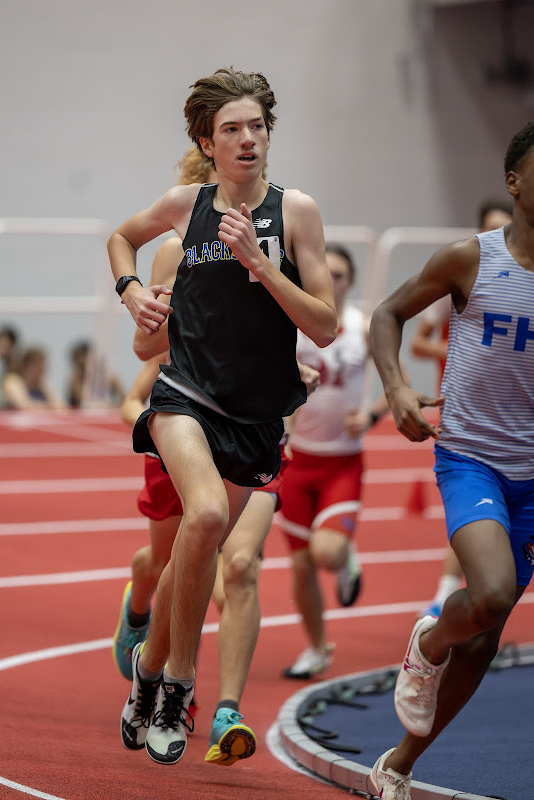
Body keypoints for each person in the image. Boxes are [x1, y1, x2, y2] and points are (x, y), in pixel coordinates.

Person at [107, 67, 337, 765]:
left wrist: (262, 266)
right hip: (186, 395)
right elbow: (120, 237)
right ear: (207, 144)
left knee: (198, 549)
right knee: (205, 517)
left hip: (257, 416)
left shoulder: (297, 213)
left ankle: (148, 670)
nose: (247, 139)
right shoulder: (187, 207)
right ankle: (179, 686)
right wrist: (132, 292)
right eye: (231, 129)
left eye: (256, 127)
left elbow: (324, 326)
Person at [367, 121, 534, 799]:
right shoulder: (471, 259)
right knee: (488, 596)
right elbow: (387, 314)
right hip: (473, 458)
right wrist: (397, 388)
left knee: (487, 636)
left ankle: (398, 764)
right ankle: (431, 642)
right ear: (514, 182)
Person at [278, 244, 390, 680]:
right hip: (297, 460)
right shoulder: (293, 323)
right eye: (325, 272)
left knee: (325, 553)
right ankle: (316, 648)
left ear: (351, 281)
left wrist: (371, 416)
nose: (331, 280)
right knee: (301, 564)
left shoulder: (363, 327)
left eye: (339, 274)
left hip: (342, 462)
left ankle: (344, 557)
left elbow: (395, 381)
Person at [410, 197, 513, 619]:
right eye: (490, 227)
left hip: (515, 417)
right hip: (463, 414)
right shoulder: (461, 276)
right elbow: (418, 344)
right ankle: (444, 597)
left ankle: (471, 601)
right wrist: (465, 349)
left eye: (504, 227)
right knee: (474, 513)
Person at [0, 346, 66, 410]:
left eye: (44, 366)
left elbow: (61, 406)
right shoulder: (12, 381)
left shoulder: (41, 384)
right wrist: (50, 407)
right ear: (28, 366)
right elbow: (24, 405)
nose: (43, 370)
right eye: (39, 366)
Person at [66, 339, 124, 408]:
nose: (82, 366)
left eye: (84, 364)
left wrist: (112, 405)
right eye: (78, 365)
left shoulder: (108, 377)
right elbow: (81, 399)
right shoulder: (75, 380)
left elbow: (123, 397)